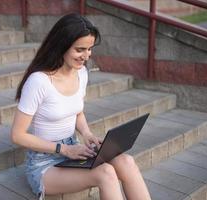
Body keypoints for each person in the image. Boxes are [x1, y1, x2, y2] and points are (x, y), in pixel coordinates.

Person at [11, 13, 151, 200]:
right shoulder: (39, 82)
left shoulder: (81, 73)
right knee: (106, 173)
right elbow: (17, 135)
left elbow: (77, 112)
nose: (86, 56)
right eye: (80, 49)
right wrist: (64, 149)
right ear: (62, 46)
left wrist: (87, 134)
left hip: (73, 150)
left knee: (126, 161)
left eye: (90, 49)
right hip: (44, 162)